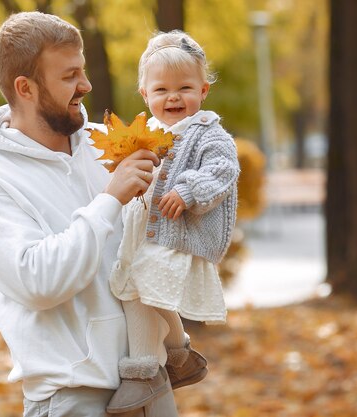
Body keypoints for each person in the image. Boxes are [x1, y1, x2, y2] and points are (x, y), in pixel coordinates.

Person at [0, 12, 179, 417]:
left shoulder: (105, 144)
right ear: (24, 87)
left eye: (84, 70)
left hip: (149, 382)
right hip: (74, 395)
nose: (86, 85)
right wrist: (110, 199)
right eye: (69, 75)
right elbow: (38, 281)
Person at [104, 30, 240, 413]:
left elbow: (223, 169)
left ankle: (143, 372)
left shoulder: (208, 134)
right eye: (162, 90)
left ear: (203, 91)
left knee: (144, 285)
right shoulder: (147, 134)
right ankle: (178, 352)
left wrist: (189, 190)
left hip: (181, 234)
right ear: (145, 95)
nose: (174, 97)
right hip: (144, 234)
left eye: (185, 88)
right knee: (130, 288)